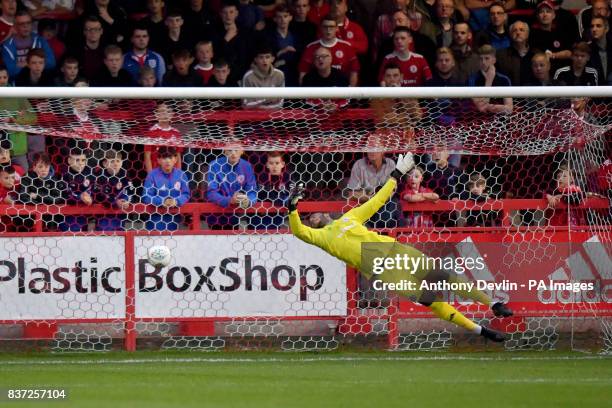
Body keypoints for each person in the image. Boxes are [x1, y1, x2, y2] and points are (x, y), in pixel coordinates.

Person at [288, 152, 513, 342]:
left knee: (445, 278)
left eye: (314, 212)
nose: (314, 217)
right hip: (385, 272)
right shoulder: (319, 237)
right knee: (433, 301)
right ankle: (480, 330)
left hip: (397, 251)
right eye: (309, 216)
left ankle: (493, 304)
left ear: (326, 212)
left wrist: (396, 174)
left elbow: (377, 200)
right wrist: (293, 209)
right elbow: (298, 231)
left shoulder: (348, 218)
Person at [298, 14, 360, 86]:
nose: (328, 30)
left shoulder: (346, 47)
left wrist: (350, 94)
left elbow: (354, 72)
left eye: (331, 27)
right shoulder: (311, 47)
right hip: (317, 89)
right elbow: (303, 72)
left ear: (337, 28)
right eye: (325, 27)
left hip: (340, 88)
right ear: (321, 28)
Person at [206, 148, 257, 229]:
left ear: (242, 151)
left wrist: (248, 201)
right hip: (216, 215)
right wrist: (229, 200)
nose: (233, 153)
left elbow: (252, 191)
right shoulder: (214, 165)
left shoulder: (247, 166)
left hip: (235, 216)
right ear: (224, 151)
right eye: (230, 150)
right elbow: (211, 193)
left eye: (236, 149)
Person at [142, 146, 190, 231]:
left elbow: (186, 194)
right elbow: (146, 196)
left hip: (176, 216)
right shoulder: (152, 175)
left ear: (175, 159)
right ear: (158, 160)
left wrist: (176, 201)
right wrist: (162, 201)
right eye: (164, 157)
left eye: (170, 157)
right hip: (155, 218)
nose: (167, 160)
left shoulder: (181, 175)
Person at [1, 10, 56, 80]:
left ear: (32, 24)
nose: (25, 26)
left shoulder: (41, 40)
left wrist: (24, 64)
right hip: (17, 83)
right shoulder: (7, 46)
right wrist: (38, 63)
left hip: (39, 81)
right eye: (21, 24)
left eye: (28, 23)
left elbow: (51, 63)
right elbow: (10, 71)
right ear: (15, 26)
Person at [0, 69, 37, 170]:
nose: (2, 80)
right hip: (1, 151)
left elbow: (33, 117)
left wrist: (14, 119)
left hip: (17, 148)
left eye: (4, 77)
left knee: (22, 178)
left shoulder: (17, 95)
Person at [93, 149, 135, 231]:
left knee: (119, 236)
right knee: (105, 232)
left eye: (118, 161)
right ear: (105, 164)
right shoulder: (99, 177)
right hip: (104, 214)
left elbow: (132, 192)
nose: (115, 164)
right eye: (112, 161)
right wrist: (115, 201)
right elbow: (98, 196)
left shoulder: (125, 175)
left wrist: (128, 201)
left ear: (122, 162)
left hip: (120, 215)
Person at [468, 44, 513, 114]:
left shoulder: (504, 79)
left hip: (501, 121)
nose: (483, 62)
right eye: (480, 59)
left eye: (487, 58)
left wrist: (490, 106)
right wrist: (489, 81)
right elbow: (481, 108)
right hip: (479, 121)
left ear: (494, 60)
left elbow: (509, 109)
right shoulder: (472, 79)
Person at [60, 147, 95, 232]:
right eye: (77, 160)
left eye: (83, 160)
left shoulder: (90, 173)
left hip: (88, 214)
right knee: (73, 231)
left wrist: (90, 197)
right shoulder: (64, 174)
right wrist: (80, 197)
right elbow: (63, 195)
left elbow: (97, 191)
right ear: (69, 161)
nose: (80, 163)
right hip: (68, 214)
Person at [254, 151, 291, 229]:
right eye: (271, 163)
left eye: (277, 163)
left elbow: (291, 196)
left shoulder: (287, 177)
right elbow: (260, 196)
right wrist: (279, 198)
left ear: (282, 164)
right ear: (267, 165)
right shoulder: (262, 176)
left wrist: (273, 196)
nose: (274, 166)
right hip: (260, 215)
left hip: (277, 215)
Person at [241, 44, 285, 109]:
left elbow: (280, 103)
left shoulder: (279, 74)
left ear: (272, 59)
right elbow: (245, 104)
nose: (264, 61)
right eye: (261, 57)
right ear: (255, 59)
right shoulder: (248, 76)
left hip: (274, 115)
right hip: (254, 115)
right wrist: (266, 100)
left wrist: (259, 102)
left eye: (267, 57)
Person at [495, 20, 533, 86]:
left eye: (521, 30)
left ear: (527, 34)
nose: (518, 33)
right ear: (510, 35)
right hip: (508, 93)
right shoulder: (500, 55)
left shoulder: (535, 54)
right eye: (514, 30)